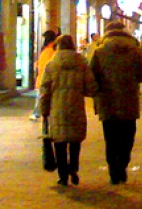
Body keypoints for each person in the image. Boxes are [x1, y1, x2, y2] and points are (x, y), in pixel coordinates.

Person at [90, 21, 142, 185]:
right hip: (129, 99)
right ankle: (123, 164)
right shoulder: (135, 50)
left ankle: (113, 171)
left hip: (107, 101)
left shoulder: (100, 51)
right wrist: (131, 81)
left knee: (110, 137)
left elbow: (91, 75)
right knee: (127, 136)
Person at [39, 34, 98, 187]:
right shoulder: (82, 63)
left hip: (57, 108)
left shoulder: (52, 65)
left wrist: (43, 110)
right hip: (76, 106)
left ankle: (63, 175)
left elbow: (44, 90)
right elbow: (91, 87)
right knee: (74, 140)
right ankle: (73, 167)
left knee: (59, 142)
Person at [30, 30, 58, 120]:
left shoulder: (46, 51)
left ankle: (37, 113)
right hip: (45, 79)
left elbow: (41, 66)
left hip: (43, 78)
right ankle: (37, 113)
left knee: (41, 97)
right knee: (42, 97)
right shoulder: (51, 52)